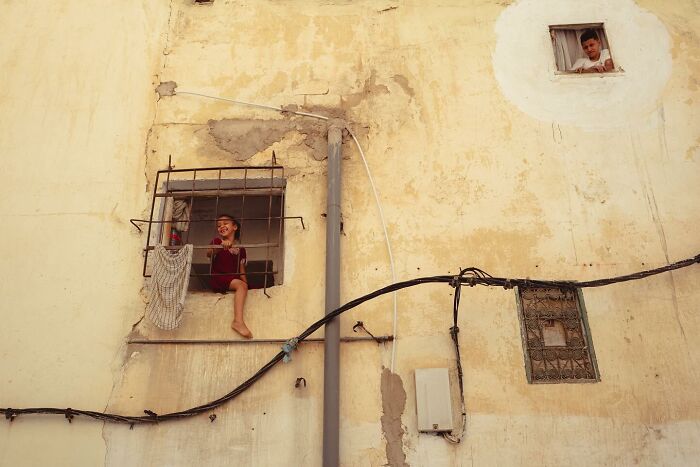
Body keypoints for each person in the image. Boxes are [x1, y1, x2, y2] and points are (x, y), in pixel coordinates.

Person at [207, 214, 251, 338]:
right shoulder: (217, 241)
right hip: (219, 278)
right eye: (219, 225)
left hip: (233, 279)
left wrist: (246, 285)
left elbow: (242, 270)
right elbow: (209, 253)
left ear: (235, 227)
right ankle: (238, 321)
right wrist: (220, 246)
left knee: (244, 285)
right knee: (241, 285)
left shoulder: (241, 249)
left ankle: (238, 320)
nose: (222, 226)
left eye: (225, 223)